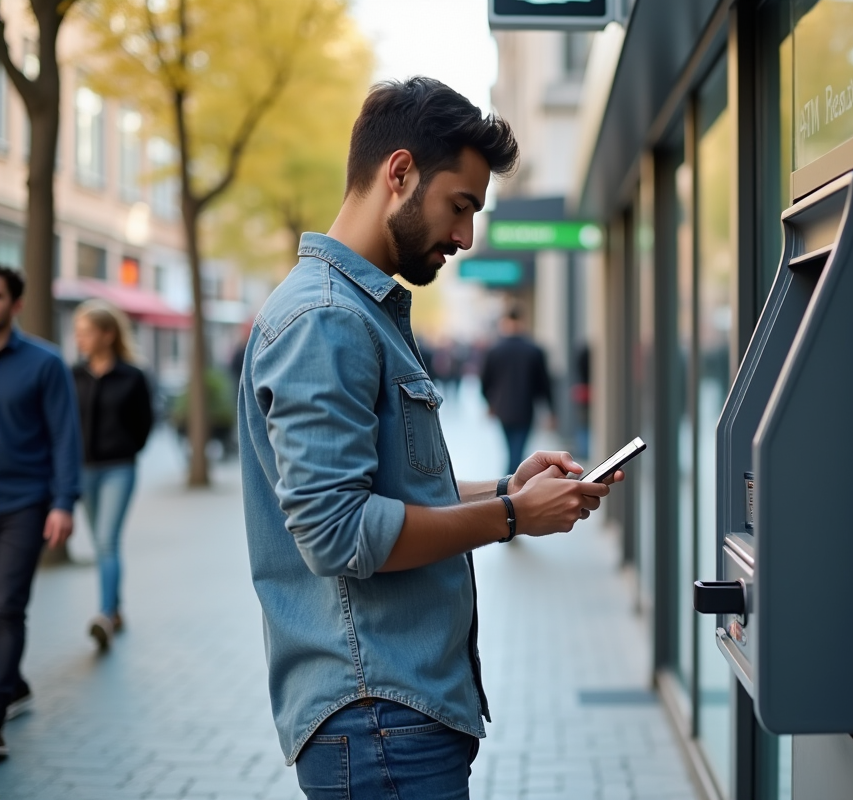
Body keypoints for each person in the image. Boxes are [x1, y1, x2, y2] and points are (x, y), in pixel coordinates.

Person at [238, 76, 620, 799]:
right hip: (378, 717)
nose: (465, 236)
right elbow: (339, 533)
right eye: (461, 206)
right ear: (400, 173)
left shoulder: (356, 311)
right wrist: (509, 519)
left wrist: (511, 486)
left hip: (392, 714)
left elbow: (389, 489)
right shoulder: (328, 319)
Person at [0, 266, 82, 761]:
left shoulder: (44, 363)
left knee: (6, 605)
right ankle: (14, 680)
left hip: (25, 504)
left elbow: (64, 436)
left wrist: (63, 502)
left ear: (17, 303)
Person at [71, 300, 154, 650]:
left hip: (119, 468)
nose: (81, 340)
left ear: (108, 334)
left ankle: (104, 614)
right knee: (100, 543)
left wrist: (128, 448)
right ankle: (116, 609)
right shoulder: (73, 374)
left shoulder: (132, 375)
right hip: (83, 469)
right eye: (78, 333)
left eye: (87, 332)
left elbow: (145, 422)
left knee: (106, 541)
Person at [480, 306, 555, 475]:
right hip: (525, 408)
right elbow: (544, 384)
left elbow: (484, 382)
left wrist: (490, 404)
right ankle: (512, 486)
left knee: (511, 450)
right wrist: (551, 411)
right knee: (518, 451)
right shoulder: (534, 350)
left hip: (503, 409)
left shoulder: (495, 350)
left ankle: (509, 485)